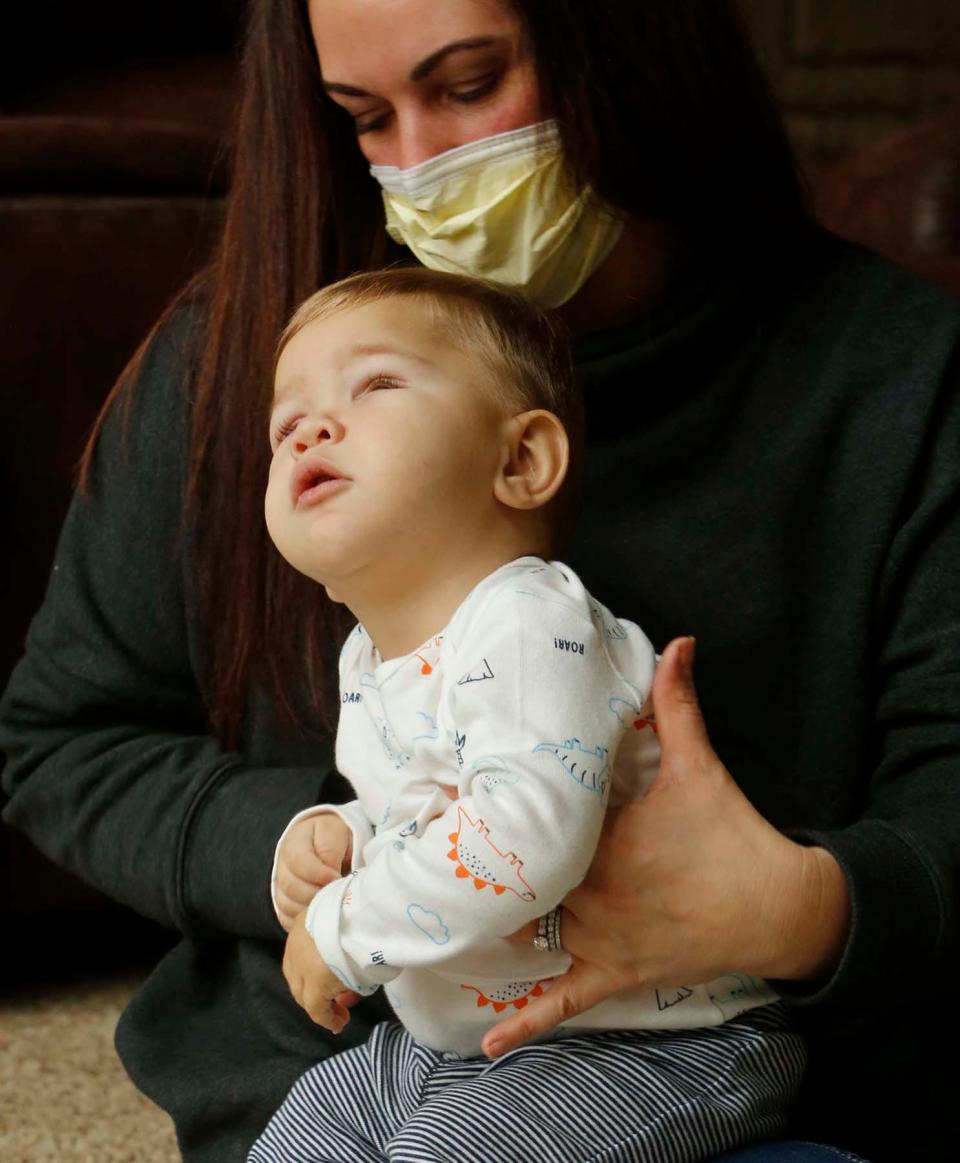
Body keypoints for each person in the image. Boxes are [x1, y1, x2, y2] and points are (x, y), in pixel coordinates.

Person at [0, 1, 957, 1160]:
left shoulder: (899, 381)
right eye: (362, 117)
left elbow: (537, 829)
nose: (423, 167)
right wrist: (315, 851)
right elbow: (64, 733)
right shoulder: (258, 360)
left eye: (467, 85)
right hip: (361, 1047)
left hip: (691, 1068)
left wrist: (806, 907)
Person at [246, 266, 805, 1162]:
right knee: (297, 1138)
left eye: (378, 384)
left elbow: (520, 834)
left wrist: (344, 928)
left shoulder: (530, 620)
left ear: (520, 460)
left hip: (649, 1040)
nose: (310, 426)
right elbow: (430, 809)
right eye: (284, 425)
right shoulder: (369, 660)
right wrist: (340, 839)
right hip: (458, 1043)